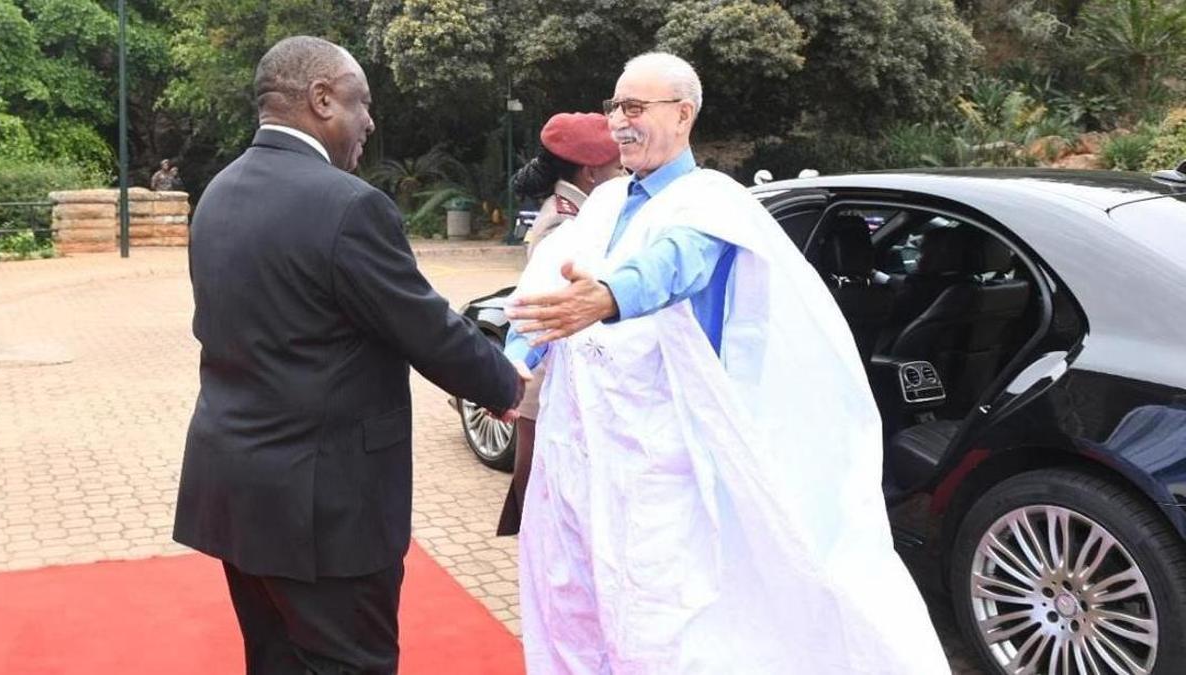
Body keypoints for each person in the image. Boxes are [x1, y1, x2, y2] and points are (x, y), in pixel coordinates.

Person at [504, 52, 949, 673]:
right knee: (579, 600)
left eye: (635, 108)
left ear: (683, 114)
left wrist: (609, 296)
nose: (620, 124)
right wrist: (515, 360)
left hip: (666, 466)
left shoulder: (712, 202)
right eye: (615, 107)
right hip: (586, 455)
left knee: (663, 624)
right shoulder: (603, 205)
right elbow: (542, 293)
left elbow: (673, 264)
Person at [173, 35, 525, 674]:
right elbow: (428, 329)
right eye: (362, 103)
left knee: (274, 660)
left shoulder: (219, 191)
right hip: (325, 511)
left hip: (237, 491)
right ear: (322, 99)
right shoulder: (348, 204)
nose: (370, 121)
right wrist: (513, 388)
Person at [496, 112, 624, 536]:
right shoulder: (564, 221)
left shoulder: (572, 208)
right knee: (537, 476)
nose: (622, 172)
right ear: (591, 172)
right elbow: (546, 302)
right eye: (616, 166)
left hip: (555, 356)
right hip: (548, 363)